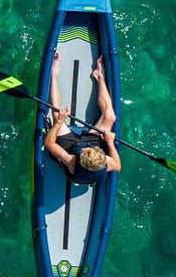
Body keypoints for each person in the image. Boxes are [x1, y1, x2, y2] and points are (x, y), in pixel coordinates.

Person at [43, 52, 121, 184]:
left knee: (56, 114)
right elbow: (117, 166)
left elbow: (49, 144)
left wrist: (60, 122)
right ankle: (99, 75)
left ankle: (53, 74)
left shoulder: (72, 162)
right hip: (92, 148)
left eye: (84, 151)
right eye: (88, 149)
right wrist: (109, 142)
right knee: (110, 117)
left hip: (70, 148)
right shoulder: (105, 162)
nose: (84, 148)